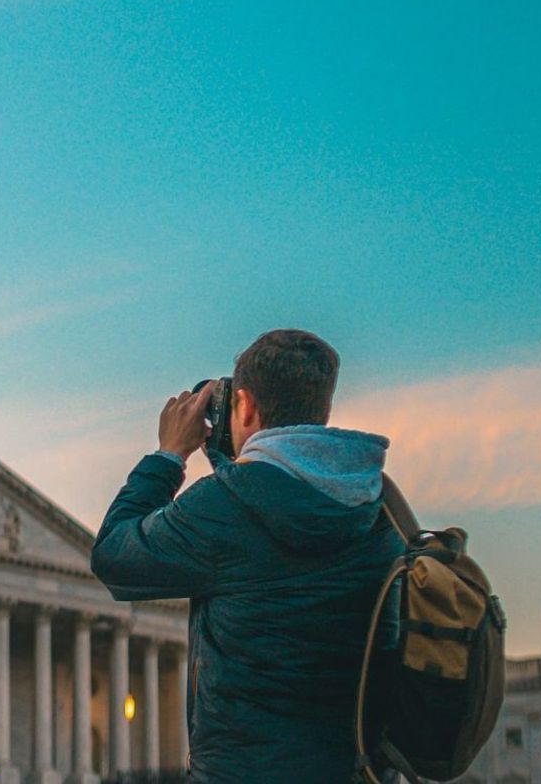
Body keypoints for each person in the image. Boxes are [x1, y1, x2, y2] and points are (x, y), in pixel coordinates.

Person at [91, 329, 403, 783]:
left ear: (246, 405)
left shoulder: (224, 510)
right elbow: (270, 510)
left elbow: (114, 556)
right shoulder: (378, 508)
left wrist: (168, 456)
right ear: (322, 409)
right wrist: (234, 462)